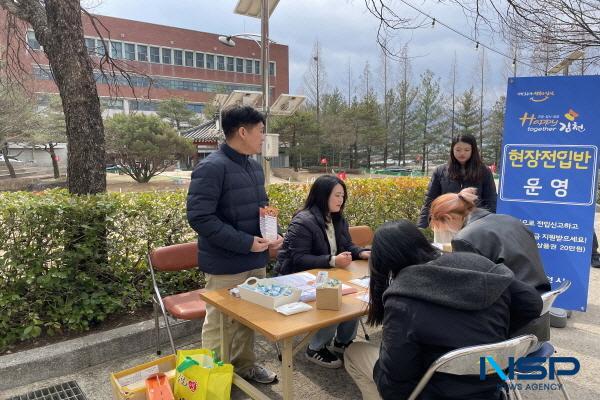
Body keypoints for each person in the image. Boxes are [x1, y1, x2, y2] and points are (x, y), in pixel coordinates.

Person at [344, 220, 542, 400]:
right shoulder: (479, 263)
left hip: (436, 390)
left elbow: (396, 384)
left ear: (383, 262)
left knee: (353, 351)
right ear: (421, 242)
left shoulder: (402, 299)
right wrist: (495, 337)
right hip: (492, 380)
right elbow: (532, 304)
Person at [186, 105, 282, 384]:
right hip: (225, 263)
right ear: (242, 131)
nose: (263, 137)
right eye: (261, 131)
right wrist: (245, 243)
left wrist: (274, 234)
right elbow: (200, 217)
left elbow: (261, 208)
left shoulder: (253, 167)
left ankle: (245, 366)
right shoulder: (211, 167)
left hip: (255, 258)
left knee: (248, 318)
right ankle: (212, 378)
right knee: (219, 323)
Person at [429, 188, 551, 342]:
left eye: (443, 227)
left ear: (448, 218)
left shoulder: (464, 238)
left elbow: (471, 290)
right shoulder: (509, 220)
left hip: (513, 320)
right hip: (537, 311)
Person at [275, 175, 370, 368]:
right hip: (295, 279)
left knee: (357, 297)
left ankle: (343, 342)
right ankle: (316, 347)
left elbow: (347, 245)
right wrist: (332, 260)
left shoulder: (337, 218)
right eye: (337, 195)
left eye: (343, 195)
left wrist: (361, 252)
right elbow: (298, 258)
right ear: (322, 195)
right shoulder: (303, 221)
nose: (341, 200)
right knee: (335, 300)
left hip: (328, 274)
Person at [417, 133, 497, 228]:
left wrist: (487, 226)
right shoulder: (440, 171)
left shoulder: (484, 171)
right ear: (452, 150)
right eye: (458, 150)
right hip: (446, 224)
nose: (462, 153)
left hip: (474, 226)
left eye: (467, 150)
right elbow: (430, 201)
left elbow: (491, 201)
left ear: (473, 150)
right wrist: (421, 227)